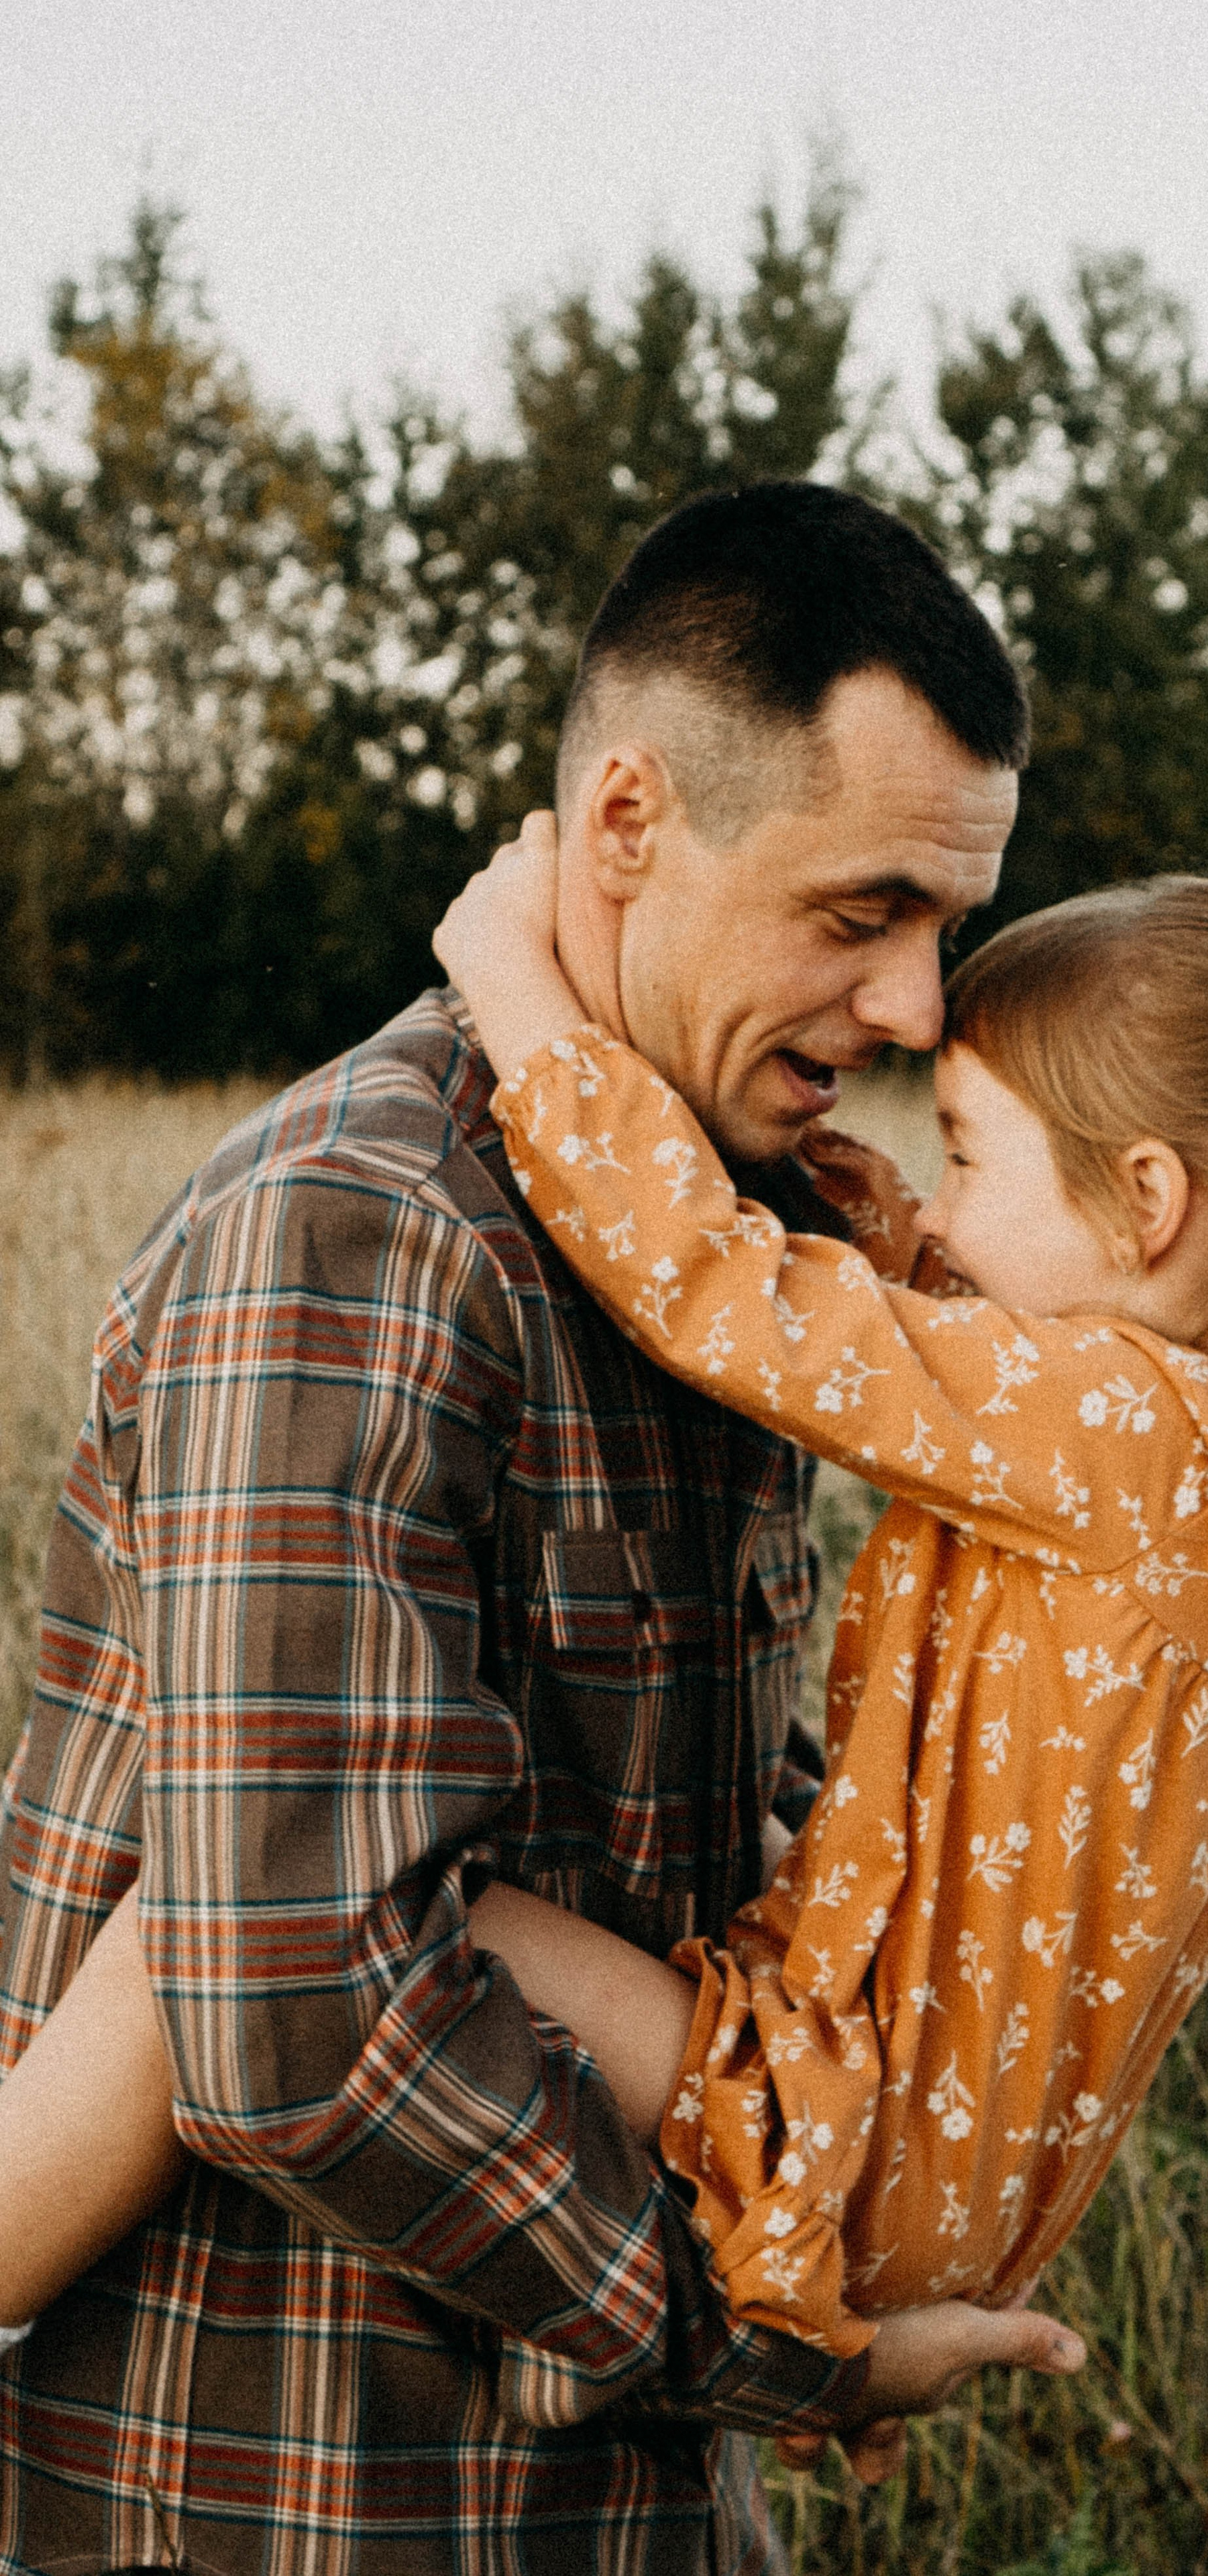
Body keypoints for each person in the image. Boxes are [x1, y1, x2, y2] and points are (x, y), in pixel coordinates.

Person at [1, 838, 1208, 2383]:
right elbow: (935, 1327)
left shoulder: (1122, 1430)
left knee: (251, 1893)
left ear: (1147, 1201)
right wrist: (844, 1188)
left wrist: (506, 984)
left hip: (849, 2116)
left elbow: (723, 1295)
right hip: (940, 2171)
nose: (935, 1215)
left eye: (965, 1154)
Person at [0, 482, 1086, 2576]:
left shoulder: (728, 1246)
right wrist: (779, 2342)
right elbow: (295, 2008)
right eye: (859, 913)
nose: (919, 1008)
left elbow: (702, 1849)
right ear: (623, 830)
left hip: (608, 2502)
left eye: (945, 926)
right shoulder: (372, 1233)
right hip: (308, 2494)